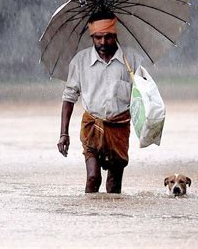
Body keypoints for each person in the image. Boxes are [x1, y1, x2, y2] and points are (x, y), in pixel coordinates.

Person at [57, 10, 143, 194]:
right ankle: (90, 218)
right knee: (93, 177)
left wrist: (147, 129)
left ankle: (113, 221)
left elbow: (143, 98)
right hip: (92, 127)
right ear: (92, 36)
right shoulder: (80, 61)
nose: (103, 43)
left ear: (115, 35)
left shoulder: (132, 61)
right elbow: (69, 98)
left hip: (119, 127)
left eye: (108, 37)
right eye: (98, 38)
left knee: (113, 185)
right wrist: (64, 134)